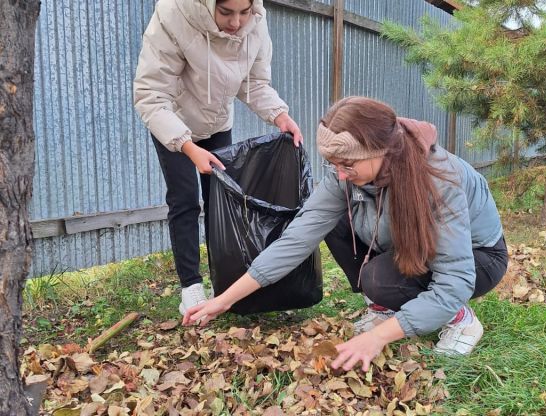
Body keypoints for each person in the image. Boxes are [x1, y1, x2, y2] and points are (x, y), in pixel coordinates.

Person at [183, 96, 508, 371]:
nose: (339, 174)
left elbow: (455, 280)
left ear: (381, 151)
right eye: (333, 164)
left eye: (347, 165)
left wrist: (377, 339)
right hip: (410, 249)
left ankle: (460, 318)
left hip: (478, 259)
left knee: (381, 279)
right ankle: (387, 308)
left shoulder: (438, 180)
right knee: (338, 226)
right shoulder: (347, 174)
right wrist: (223, 301)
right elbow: (297, 239)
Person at [133, 0, 303, 316]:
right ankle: (191, 288)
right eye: (226, 12)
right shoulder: (173, 14)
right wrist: (188, 146)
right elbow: (151, 96)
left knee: (219, 203)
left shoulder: (257, 20)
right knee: (185, 199)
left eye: (244, 11)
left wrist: (279, 115)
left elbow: (254, 83)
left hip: (216, 122)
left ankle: (223, 283)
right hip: (173, 122)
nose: (237, 22)